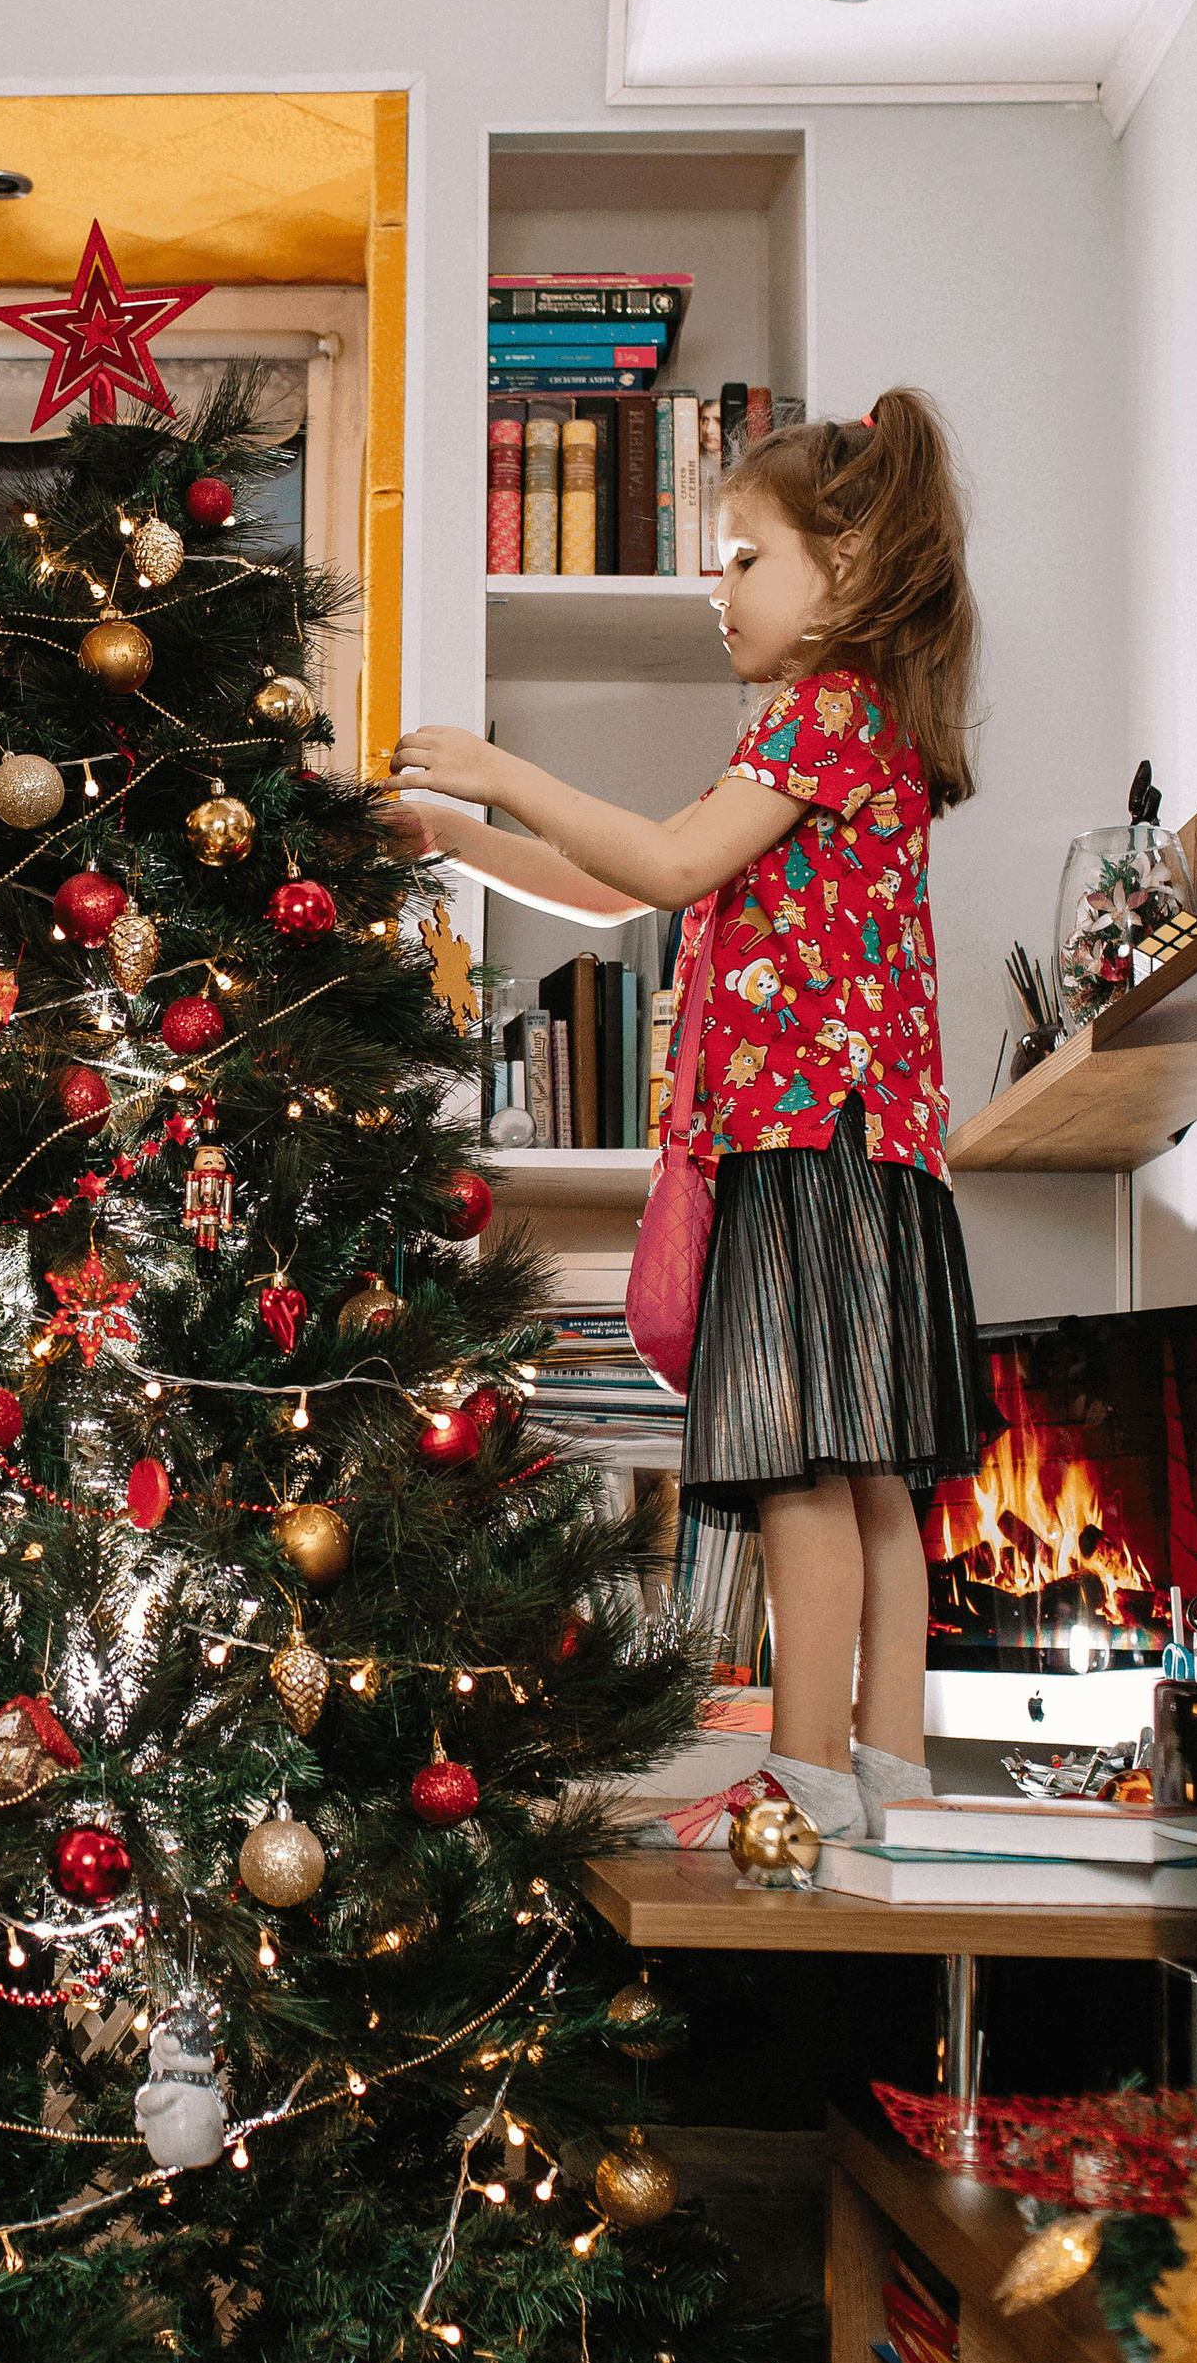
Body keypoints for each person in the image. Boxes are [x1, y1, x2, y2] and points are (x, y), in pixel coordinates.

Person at [392, 388, 989, 1852]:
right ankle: (887, 1775)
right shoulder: (849, 733)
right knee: (874, 1477)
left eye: (745, 558)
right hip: (874, 1146)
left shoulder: (824, 714)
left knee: (799, 1463)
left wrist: (497, 770)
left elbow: (659, 866)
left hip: (807, 1137)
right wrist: (459, 836)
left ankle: (805, 1777)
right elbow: (628, 885)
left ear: (847, 571)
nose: (715, 589)